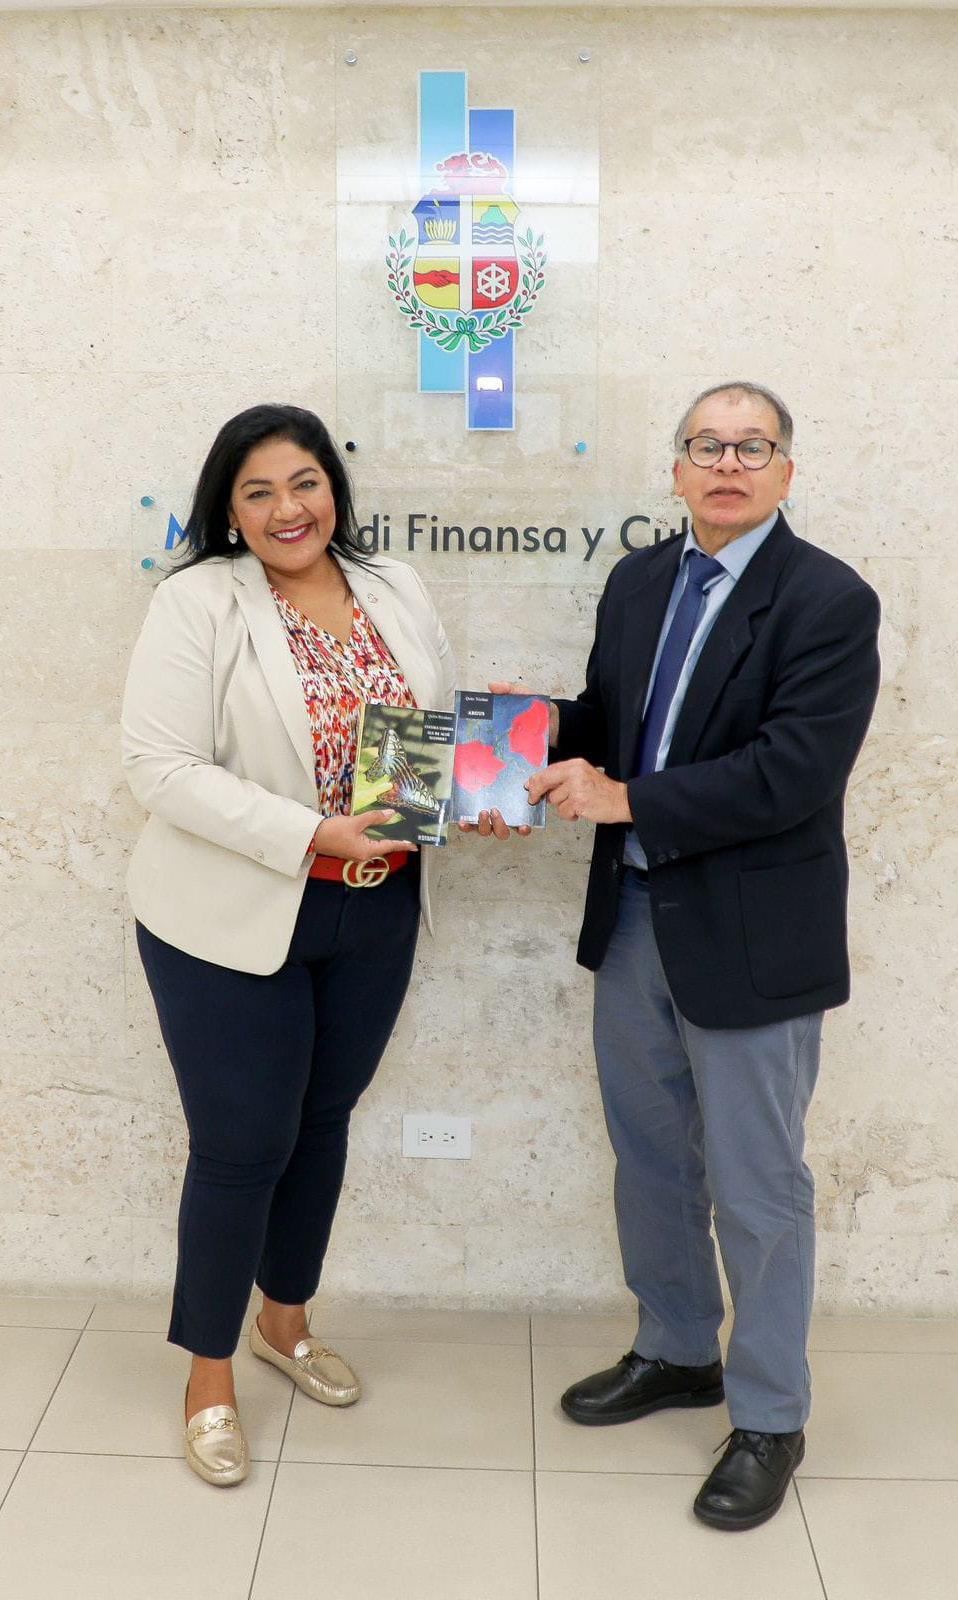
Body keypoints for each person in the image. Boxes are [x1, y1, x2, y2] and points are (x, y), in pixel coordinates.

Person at [523, 382, 881, 1530]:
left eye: (751, 446)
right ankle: (678, 1349)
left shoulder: (827, 600)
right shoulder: (639, 581)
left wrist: (623, 798)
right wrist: (508, 744)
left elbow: (790, 773)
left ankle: (770, 1416)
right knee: (649, 1159)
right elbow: (606, 721)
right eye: (706, 446)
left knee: (757, 1186)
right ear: (676, 469)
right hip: (634, 918)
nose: (727, 464)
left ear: (786, 471)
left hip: (750, 939)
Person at [122, 403, 456, 1486]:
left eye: (304, 482)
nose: (287, 508)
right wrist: (313, 832)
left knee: (320, 1123)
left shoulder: (393, 585)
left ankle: (285, 1322)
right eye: (258, 491)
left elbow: (423, 730)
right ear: (229, 508)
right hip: (229, 917)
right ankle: (208, 1375)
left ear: (333, 490)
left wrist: (453, 800)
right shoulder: (197, 601)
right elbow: (162, 768)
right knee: (240, 1147)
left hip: (377, 908)